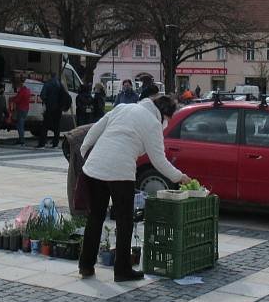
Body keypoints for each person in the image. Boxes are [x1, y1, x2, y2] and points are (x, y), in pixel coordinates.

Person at [78, 95, 190, 282]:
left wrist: (84, 151)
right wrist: (180, 177)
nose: (166, 124)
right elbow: (159, 161)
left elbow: (95, 130)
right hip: (120, 172)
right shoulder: (152, 123)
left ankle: (86, 265)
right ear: (163, 114)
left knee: (95, 217)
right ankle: (122, 270)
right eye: (168, 120)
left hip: (94, 167)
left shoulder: (123, 107)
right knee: (124, 221)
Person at [38, 72, 62, 148]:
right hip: (58, 108)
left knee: (45, 126)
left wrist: (46, 101)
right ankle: (55, 143)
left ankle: (42, 143)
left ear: (49, 76)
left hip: (49, 107)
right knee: (57, 126)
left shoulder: (47, 84)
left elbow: (42, 95)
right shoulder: (59, 84)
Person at [10, 78, 31, 146]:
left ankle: (21, 140)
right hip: (26, 109)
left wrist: (11, 99)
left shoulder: (22, 91)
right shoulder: (28, 90)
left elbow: (18, 99)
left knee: (20, 125)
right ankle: (21, 139)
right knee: (21, 124)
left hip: (21, 109)